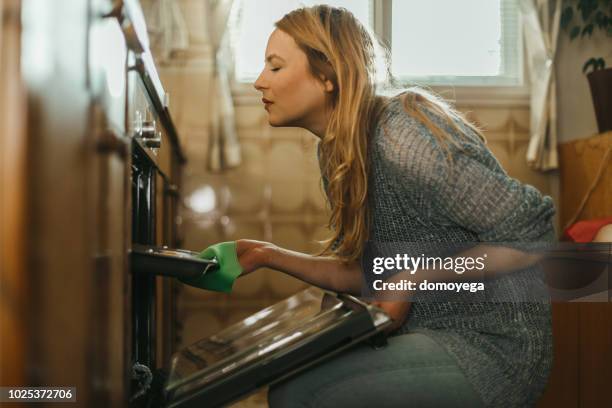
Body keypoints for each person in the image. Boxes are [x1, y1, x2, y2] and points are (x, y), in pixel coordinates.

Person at [235, 5, 554, 408]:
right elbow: (369, 274)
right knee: (292, 382)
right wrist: (268, 255)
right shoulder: (338, 151)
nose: (259, 81)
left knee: (302, 392)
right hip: (429, 335)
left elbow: (533, 233)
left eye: (275, 67)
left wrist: (416, 277)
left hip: (491, 348)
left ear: (327, 74)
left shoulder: (400, 136)